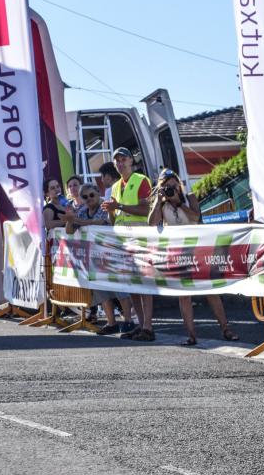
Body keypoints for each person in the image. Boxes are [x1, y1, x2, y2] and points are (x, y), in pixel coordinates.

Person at [147, 169, 238, 345]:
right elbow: (151, 223)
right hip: (177, 252)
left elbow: (196, 218)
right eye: (166, 186)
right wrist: (159, 201)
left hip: (197, 249)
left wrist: (179, 203)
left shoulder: (190, 197)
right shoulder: (162, 203)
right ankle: (191, 335)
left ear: (179, 184)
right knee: (184, 295)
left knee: (210, 290)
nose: (171, 189)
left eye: (173, 185)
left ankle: (226, 328)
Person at [64, 183, 135, 334]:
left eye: (91, 195)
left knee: (120, 289)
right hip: (95, 257)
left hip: (112, 253)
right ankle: (111, 322)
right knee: (102, 290)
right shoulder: (82, 210)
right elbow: (69, 231)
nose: (89, 199)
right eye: (85, 197)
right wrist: (70, 220)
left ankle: (128, 321)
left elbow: (101, 223)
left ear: (98, 193)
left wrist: (79, 222)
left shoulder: (105, 206)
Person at [102, 147, 155, 341]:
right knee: (133, 285)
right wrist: (110, 210)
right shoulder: (115, 186)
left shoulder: (141, 180)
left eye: (123, 159)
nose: (120, 163)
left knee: (145, 284)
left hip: (141, 238)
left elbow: (145, 210)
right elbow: (116, 217)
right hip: (124, 240)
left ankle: (148, 326)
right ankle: (140, 325)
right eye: (117, 160)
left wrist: (118, 206)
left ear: (131, 161)